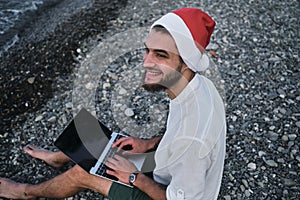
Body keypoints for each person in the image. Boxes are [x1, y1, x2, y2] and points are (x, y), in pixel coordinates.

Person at [0, 7, 226, 200]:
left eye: (161, 55)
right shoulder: (197, 85)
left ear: (186, 62)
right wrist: (149, 144)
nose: (146, 63)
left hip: (170, 191)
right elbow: (178, 133)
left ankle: (26, 193)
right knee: (98, 138)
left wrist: (133, 178)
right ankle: (58, 159)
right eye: (147, 51)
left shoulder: (193, 139)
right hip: (167, 163)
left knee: (82, 173)